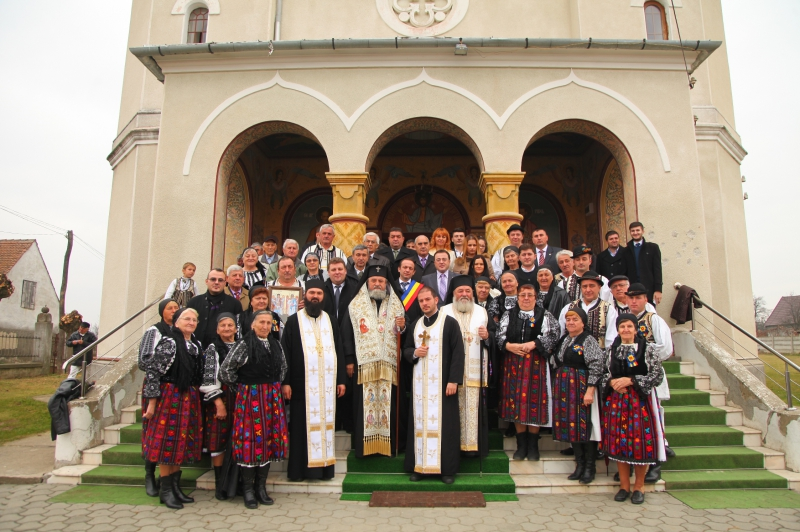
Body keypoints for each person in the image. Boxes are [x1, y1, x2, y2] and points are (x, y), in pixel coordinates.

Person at [219, 310, 288, 509]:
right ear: (252, 325)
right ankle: (248, 490)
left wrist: (272, 387)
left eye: (268, 323)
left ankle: (261, 488)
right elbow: (226, 371)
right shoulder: (243, 344)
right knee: (250, 440)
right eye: (262, 322)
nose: (265, 326)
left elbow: (283, 369)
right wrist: (242, 388)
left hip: (271, 398)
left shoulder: (275, 344)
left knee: (268, 440)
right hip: (251, 398)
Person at [280, 279, 346, 482]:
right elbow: (286, 353)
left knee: (326, 427)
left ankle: (324, 469)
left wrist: (341, 379)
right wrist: (286, 382)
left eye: (318, 293)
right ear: (305, 296)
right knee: (301, 429)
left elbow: (339, 351)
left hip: (326, 388)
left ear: (323, 297)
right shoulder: (294, 320)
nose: (315, 296)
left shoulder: (330, 320)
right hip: (302, 386)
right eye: (311, 293)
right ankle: (299, 472)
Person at [141, 308, 203, 509]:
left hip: (188, 396)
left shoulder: (195, 344)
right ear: (176, 322)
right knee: (167, 443)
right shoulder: (170, 343)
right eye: (186, 318)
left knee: (179, 443)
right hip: (169, 396)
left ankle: (175, 487)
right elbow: (153, 372)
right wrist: (151, 402)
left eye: (194, 320)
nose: (191, 322)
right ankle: (165, 490)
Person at [341, 265, 406, 457]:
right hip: (365, 367)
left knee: (390, 405)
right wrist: (350, 360)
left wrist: (402, 327)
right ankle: (367, 447)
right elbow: (346, 333)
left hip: (389, 366)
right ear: (367, 283)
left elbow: (404, 332)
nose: (377, 284)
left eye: (381, 281)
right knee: (365, 406)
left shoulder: (396, 304)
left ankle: (390, 444)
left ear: (387, 284)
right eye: (374, 281)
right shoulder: (355, 305)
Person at [403, 285, 465, 484]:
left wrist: (454, 380)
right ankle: (419, 467)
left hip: (443, 387)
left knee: (445, 427)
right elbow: (406, 349)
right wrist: (414, 353)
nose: (425, 304)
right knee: (420, 425)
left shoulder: (449, 323)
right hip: (421, 389)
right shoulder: (415, 325)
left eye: (428, 299)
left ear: (436, 300)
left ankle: (446, 470)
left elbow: (458, 353)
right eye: (421, 301)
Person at [603, 313, 664, 505]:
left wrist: (631, 380)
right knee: (620, 442)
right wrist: (612, 382)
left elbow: (657, 375)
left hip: (639, 402)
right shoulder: (613, 349)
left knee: (640, 442)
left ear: (635, 328)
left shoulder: (647, 349)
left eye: (629, 326)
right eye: (622, 327)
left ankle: (639, 486)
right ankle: (624, 485)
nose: (626, 330)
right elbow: (603, 372)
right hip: (618, 402)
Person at [496, 283, 560, 461]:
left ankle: (533, 446)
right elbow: (499, 336)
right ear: (517, 297)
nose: (525, 298)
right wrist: (510, 346)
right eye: (522, 295)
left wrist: (534, 344)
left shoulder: (544, 315)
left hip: (536, 364)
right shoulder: (509, 315)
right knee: (516, 402)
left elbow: (554, 335)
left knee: (534, 402)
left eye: (529, 295)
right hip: (513, 363)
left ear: (535, 297)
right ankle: (521, 445)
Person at [441, 276, 494, 458]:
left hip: (474, 373)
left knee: (474, 409)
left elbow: (493, 338)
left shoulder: (482, 312)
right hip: (450, 374)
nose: (464, 294)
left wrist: (487, 336)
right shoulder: (443, 311)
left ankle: (473, 448)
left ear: (473, 293)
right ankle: (453, 448)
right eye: (460, 291)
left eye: (467, 291)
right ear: (453, 294)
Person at [627, 282, 675, 483]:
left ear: (646, 299)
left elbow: (666, 348)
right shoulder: (627, 320)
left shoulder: (654, 319)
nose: (634, 301)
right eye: (631, 298)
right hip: (631, 378)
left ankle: (656, 464)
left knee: (654, 417)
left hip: (650, 374)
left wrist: (641, 352)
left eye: (638, 298)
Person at [552, 308, 604, 485]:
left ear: (583, 322)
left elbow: (596, 365)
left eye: (575, 320)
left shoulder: (588, 340)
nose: (571, 323)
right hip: (567, 389)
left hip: (582, 388)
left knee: (585, 426)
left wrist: (590, 390)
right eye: (568, 320)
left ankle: (590, 467)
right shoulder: (566, 339)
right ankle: (579, 464)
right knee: (572, 426)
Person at [137, 299, 179, 497]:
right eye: (170, 308)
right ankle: (149, 475)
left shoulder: (183, 332)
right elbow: (144, 360)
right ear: (162, 312)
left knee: (170, 435)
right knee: (154, 433)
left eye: (176, 308)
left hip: (175, 389)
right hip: (157, 387)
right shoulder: (154, 332)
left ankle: (171, 482)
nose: (173, 311)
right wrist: (163, 365)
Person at [199, 313, 237, 500]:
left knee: (235, 438)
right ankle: (219, 484)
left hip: (238, 398)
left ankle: (232, 482)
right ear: (217, 329)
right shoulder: (213, 349)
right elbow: (208, 378)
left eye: (230, 325)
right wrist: (218, 403)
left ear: (236, 328)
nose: (227, 329)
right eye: (223, 325)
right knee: (219, 441)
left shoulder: (240, 346)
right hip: (220, 398)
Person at [324, 257, 360, 433]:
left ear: (346, 271)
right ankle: (332, 423)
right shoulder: (321, 290)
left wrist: (350, 356)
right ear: (328, 272)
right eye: (333, 270)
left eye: (340, 269)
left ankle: (347, 424)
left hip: (349, 343)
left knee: (347, 383)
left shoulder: (355, 289)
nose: (337, 272)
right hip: (326, 344)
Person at [558, 271, 618, 349]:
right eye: (584, 286)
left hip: (598, 357)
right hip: (571, 357)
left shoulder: (608, 309)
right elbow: (561, 333)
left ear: (599, 287)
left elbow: (611, 339)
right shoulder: (569, 307)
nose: (588, 290)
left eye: (592, 286)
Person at [187, 269, 243, 348]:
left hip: (224, 352)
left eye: (220, 280)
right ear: (206, 281)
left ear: (225, 282)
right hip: (197, 349)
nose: (216, 282)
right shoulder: (194, 302)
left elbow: (239, 330)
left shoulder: (234, 304)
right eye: (213, 279)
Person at [624, 222, 663, 305]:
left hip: (649, 290)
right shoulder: (626, 251)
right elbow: (624, 272)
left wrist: (658, 290)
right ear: (630, 232)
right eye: (633, 231)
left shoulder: (653, 248)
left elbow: (657, 270)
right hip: (632, 290)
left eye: (638, 230)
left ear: (643, 231)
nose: (635, 233)